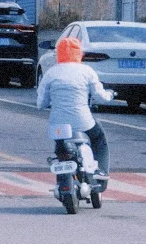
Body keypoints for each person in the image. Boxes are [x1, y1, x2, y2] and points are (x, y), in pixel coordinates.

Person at [36, 36, 112, 185]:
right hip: (83, 123)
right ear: (80, 53)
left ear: (58, 53)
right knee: (99, 139)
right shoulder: (87, 71)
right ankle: (100, 170)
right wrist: (110, 95)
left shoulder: (51, 73)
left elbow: (41, 103)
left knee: (60, 145)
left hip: (58, 125)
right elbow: (100, 96)